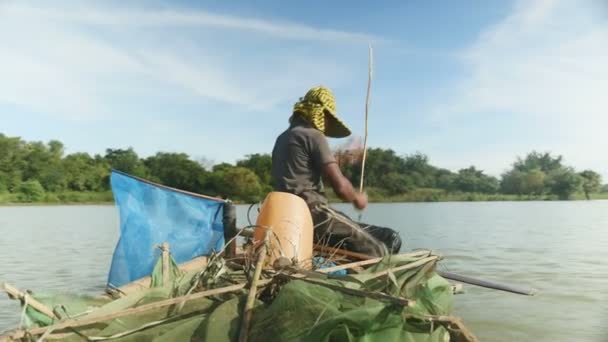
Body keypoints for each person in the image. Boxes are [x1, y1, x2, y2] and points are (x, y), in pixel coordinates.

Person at [271, 86, 401, 257]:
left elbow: (300, 172)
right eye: (328, 118)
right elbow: (340, 187)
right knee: (379, 249)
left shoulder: (282, 138)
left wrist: (341, 158)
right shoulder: (313, 135)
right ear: (322, 113)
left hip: (285, 215)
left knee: (388, 236)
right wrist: (357, 198)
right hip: (314, 214)